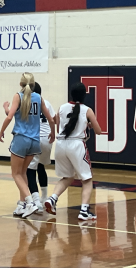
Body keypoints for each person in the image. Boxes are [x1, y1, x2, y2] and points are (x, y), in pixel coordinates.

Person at [0, 73, 55, 218]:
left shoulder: (18, 96)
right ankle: (22, 204)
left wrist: (1, 131)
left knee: (16, 173)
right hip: (34, 141)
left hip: (21, 139)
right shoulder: (39, 98)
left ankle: (30, 203)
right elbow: (51, 119)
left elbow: (10, 116)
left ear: (21, 84)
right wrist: (53, 134)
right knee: (23, 173)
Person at [44, 82, 102, 221]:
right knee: (87, 179)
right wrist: (89, 126)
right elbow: (99, 130)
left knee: (67, 177)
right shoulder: (87, 110)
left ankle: (52, 199)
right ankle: (83, 211)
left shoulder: (62, 108)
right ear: (84, 95)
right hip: (76, 145)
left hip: (61, 145)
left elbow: (56, 124)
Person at [27, 82, 55, 204]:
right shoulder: (47, 103)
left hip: (35, 138)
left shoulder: (28, 103)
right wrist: (54, 133)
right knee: (41, 166)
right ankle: (44, 197)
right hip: (47, 138)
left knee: (30, 170)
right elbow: (53, 119)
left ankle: (36, 201)